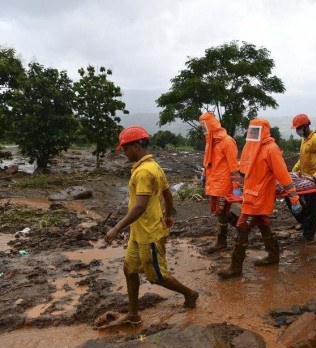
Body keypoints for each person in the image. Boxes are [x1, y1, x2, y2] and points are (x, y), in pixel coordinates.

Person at [103, 126, 199, 326]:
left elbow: (139, 206)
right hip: (138, 233)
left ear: (136, 146)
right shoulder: (153, 165)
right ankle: (133, 314)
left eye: (126, 148)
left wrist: (116, 228)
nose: (124, 153)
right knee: (129, 270)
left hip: (150, 233)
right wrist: (169, 214)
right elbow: (167, 193)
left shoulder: (145, 171)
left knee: (157, 276)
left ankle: (190, 294)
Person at [218, 118, 302, 279]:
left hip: (259, 198)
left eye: (256, 131)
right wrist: (235, 185)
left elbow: (283, 175)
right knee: (264, 225)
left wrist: (294, 198)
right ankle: (273, 255)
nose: (252, 134)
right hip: (250, 194)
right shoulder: (251, 147)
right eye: (251, 130)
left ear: (263, 131)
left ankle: (235, 268)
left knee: (242, 228)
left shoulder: (271, 149)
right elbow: (243, 170)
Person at [199, 112, 241, 254]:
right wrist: (204, 174)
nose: (203, 128)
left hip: (224, 184)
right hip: (214, 183)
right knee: (220, 212)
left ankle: (221, 242)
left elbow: (234, 166)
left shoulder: (227, 141)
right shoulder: (210, 142)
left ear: (210, 124)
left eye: (204, 125)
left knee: (222, 213)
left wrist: (236, 188)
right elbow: (208, 161)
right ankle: (243, 228)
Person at [289, 113, 316, 241]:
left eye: (299, 128)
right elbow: (302, 158)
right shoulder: (304, 140)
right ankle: (305, 223)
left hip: (314, 180)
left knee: (313, 209)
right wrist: (294, 170)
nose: (297, 131)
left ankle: (309, 235)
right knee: (291, 198)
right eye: (296, 128)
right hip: (303, 178)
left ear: (306, 126)